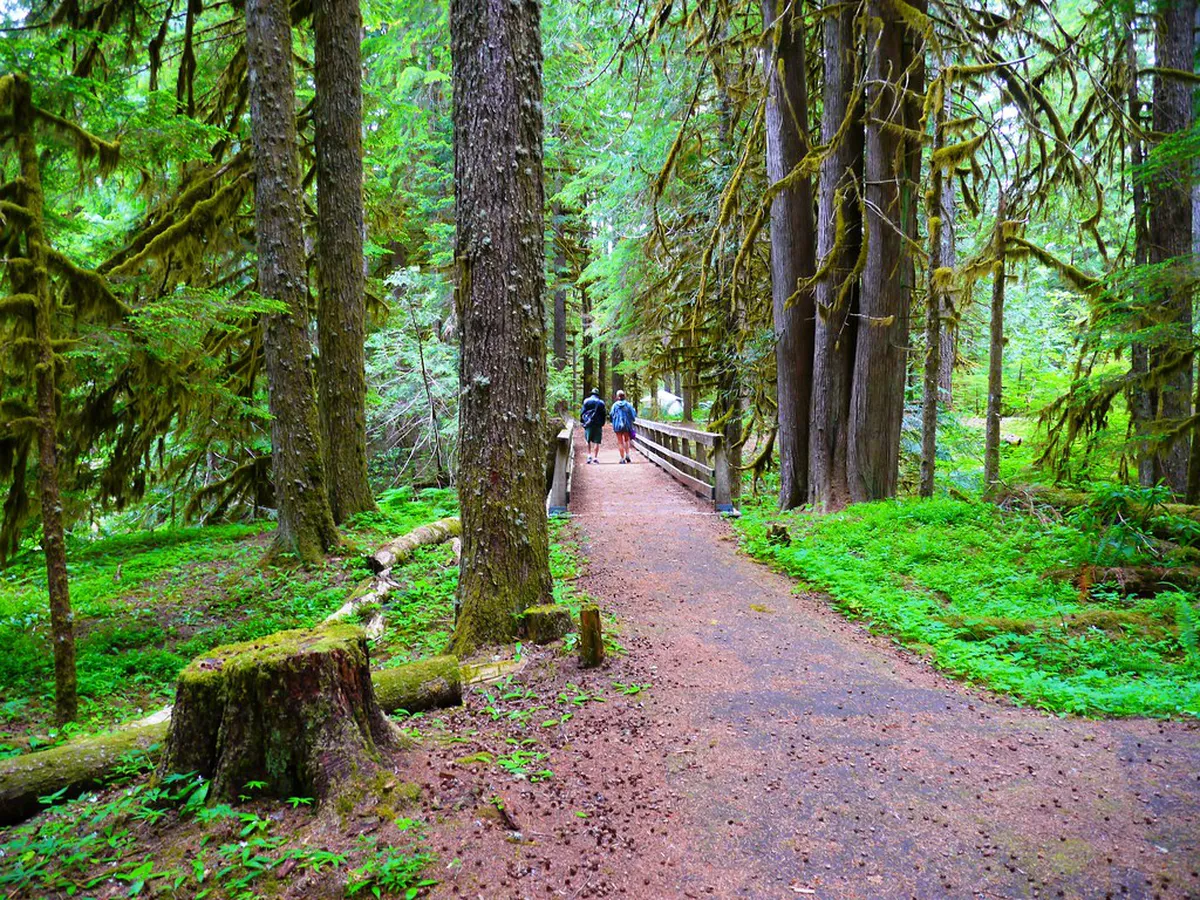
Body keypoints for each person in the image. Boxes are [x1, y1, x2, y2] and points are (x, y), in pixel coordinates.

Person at [610, 390, 637, 464]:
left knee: (620, 442)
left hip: (617, 426)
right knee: (626, 440)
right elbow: (633, 415)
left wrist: (613, 422)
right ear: (624, 396)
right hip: (626, 425)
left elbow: (611, 415)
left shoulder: (615, 405)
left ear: (617, 397)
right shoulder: (628, 405)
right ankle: (627, 456)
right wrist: (632, 420)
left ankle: (622, 458)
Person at [580, 388, 606, 463]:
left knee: (588, 440)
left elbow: (582, 412)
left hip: (588, 423)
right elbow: (603, 414)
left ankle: (589, 455)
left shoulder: (586, 401)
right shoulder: (601, 403)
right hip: (598, 424)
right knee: (597, 441)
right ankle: (595, 457)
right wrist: (602, 423)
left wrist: (582, 421)